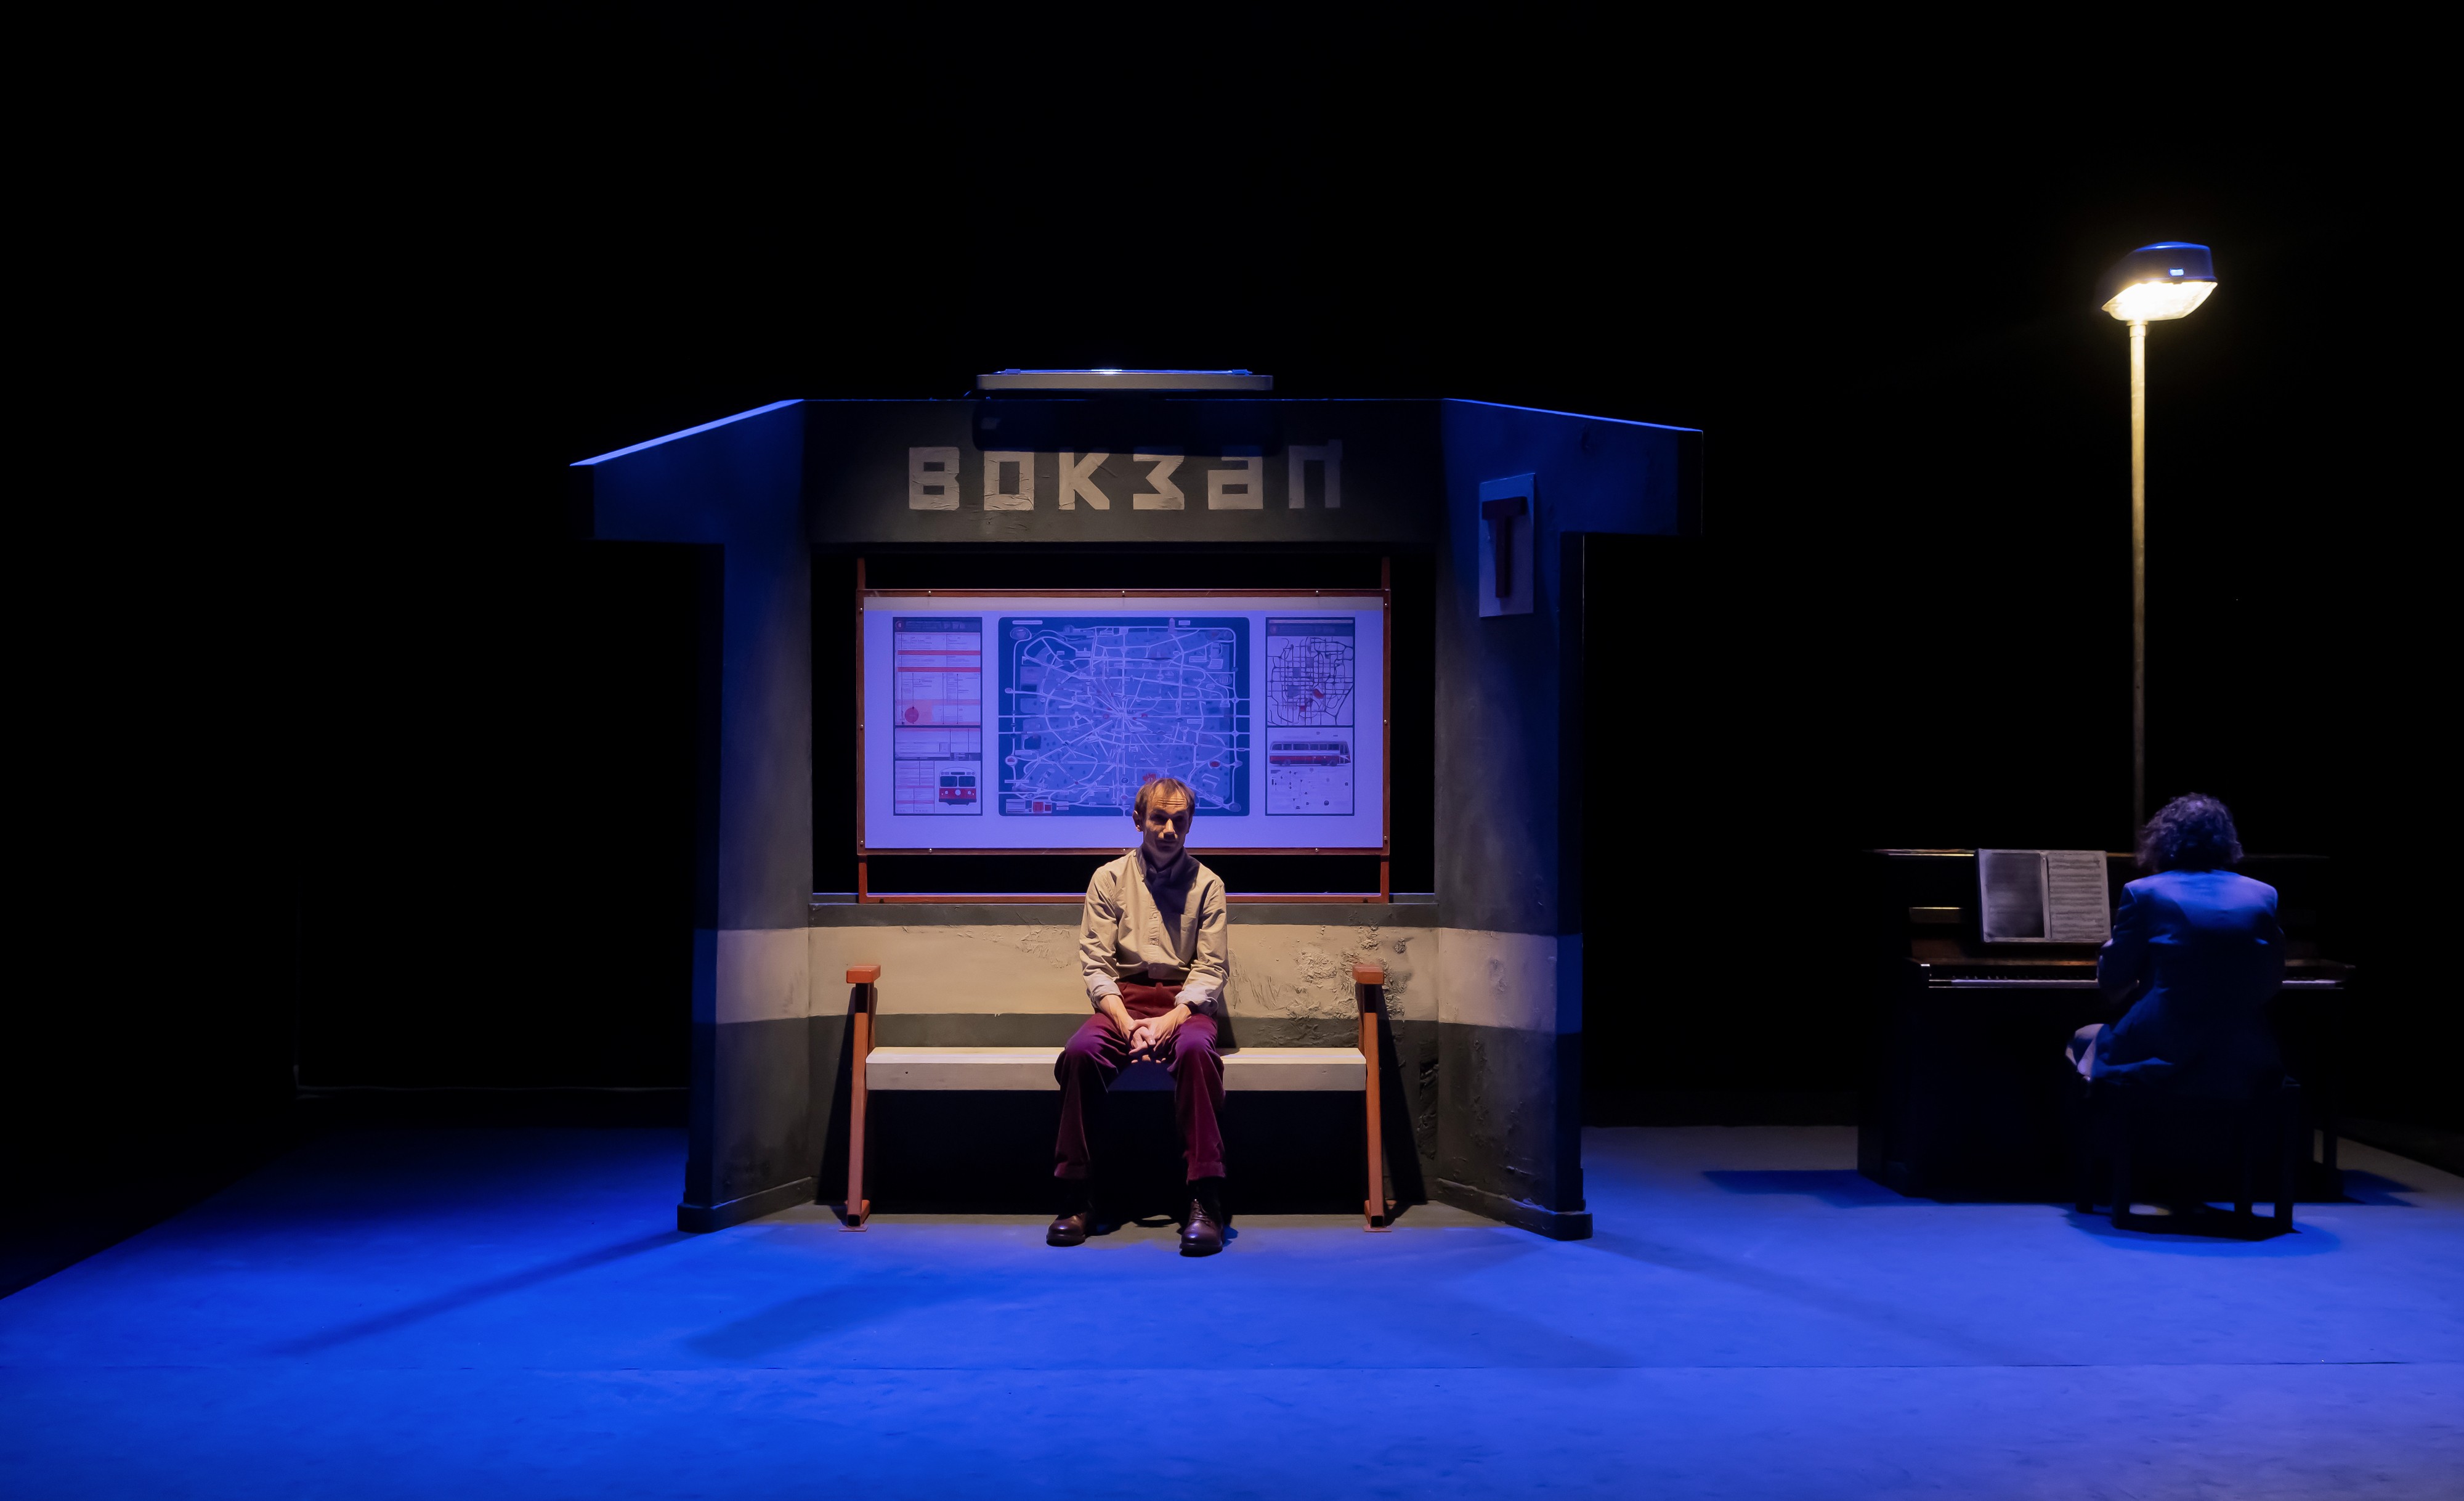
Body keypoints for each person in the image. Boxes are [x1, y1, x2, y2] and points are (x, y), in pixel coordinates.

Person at [1048, 776, 1231, 1255]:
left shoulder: (1209, 885)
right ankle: (1077, 1195)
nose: (1169, 829)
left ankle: (1205, 1198)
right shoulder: (1108, 879)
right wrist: (1128, 1025)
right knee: (1080, 1053)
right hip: (1123, 1001)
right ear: (1138, 820)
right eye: (1159, 818)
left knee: (1197, 1053)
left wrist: (1170, 1020)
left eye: (1179, 820)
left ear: (1190, 824)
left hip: (1184, 1003)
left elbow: (1211, 968)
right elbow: (1096, 964)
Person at [2068, 793, 2285, 1098]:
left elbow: (2113, 983)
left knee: (2080, 1039)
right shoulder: (2264, 894)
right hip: (2243, 1050)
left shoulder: (2143, 892)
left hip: (2165, 1049)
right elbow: (2270, 983)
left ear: (2163, 839)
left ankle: (2101, 1129)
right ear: (2227, 840)